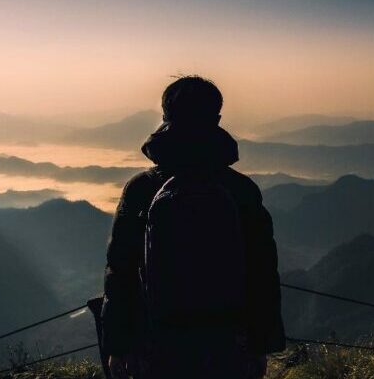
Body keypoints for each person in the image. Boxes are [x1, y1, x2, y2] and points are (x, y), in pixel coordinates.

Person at [101, 76, 285, 379]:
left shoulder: (141, 190)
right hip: (227, 344)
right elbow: (262, 271)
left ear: (165, 117)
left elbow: (120, 271)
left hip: (157, 344)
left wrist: (119, 346)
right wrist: (261, 345)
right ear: (217, 118)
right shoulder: (241, 190)